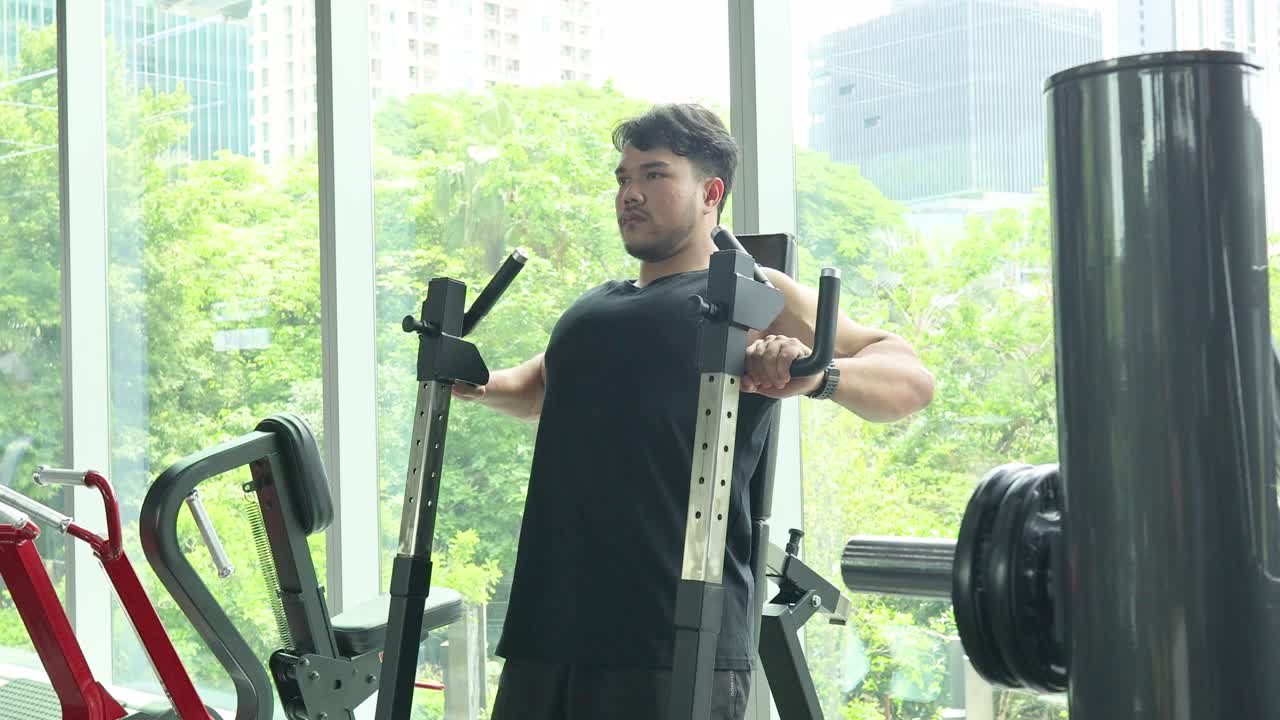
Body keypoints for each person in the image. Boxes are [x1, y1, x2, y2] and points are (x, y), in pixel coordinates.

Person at [456, 103, 935, 720]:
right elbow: (541, 387)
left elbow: (908, 378)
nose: (630, 193)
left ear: (711, 192)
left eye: (654, 175)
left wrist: (817, 373)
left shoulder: (751, 293)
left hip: (673, 637)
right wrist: (474, 382)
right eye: (624, 178)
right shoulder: (595, 305)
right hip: (548, 629)